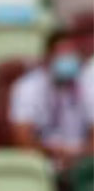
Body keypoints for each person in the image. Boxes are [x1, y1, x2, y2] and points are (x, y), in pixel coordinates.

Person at [9, 30, 94, 167]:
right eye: (63, 55)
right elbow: (21, 137)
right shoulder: (28, 87)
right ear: (48, 57)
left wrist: (81, 155)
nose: (68, 59)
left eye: (71, 55)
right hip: (42, 159)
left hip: (82, 160)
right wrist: (51, 152)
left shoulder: (88, 82)